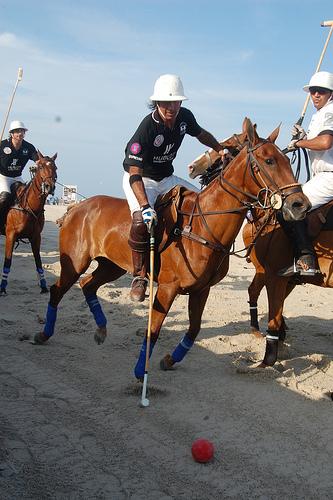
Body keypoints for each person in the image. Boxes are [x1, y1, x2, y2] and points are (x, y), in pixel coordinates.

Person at [123, 74, 225, 301]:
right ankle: (139, 275)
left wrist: (219, 148)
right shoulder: (147, 128)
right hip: (143, 180)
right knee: (142, 220)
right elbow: (134, 173)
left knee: (202, 202)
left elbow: (201, 134)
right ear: (156, 103)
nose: (170, 107)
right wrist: (144, 205)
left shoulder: (184, 117)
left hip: (167, 178)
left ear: (181, 102)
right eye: (165, 103)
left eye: (175, 102)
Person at [280, 71, 333, 277]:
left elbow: (325, 142)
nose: (316, 95)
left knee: (291, 205)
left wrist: (298, 143)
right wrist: (303, 136)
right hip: (320, 176)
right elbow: (317, 139)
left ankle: (306, 260)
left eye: (322, 91)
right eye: (313, 91)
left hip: (329, 176)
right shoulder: (319, 115)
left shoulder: (330, 112)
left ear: (331, 94)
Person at [0, 120, 38, 227]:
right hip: (3, 177)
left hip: (17, 177)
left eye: (22, 131)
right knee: (5, 197)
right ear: (11, 133)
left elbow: (38, 160)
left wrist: (38, 166)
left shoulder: (28, 147)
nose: (20, 133)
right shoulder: (2, 145)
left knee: (26, 196)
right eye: (17, 131)